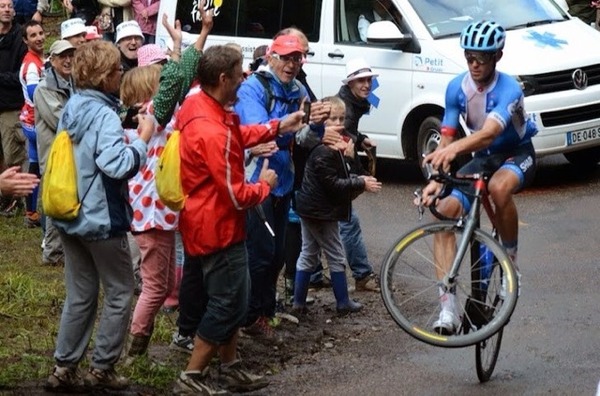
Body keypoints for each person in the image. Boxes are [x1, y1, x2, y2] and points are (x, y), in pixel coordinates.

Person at [171, 44, 305, 395]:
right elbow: (235, 193)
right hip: (216, 227)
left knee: (235, 297)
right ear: (221, 78)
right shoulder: (211, 129)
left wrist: (276, 126)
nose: (243, 79)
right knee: (228, 302)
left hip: (207, 222)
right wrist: (263, 186)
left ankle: (230, 368)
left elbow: (235, 136)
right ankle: (192, 374)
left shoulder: (201, 104)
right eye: (238, 74)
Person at [44, 40, 155, 393]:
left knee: (81, 294)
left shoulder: (74, 104)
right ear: (105, 76)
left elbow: (87, 144)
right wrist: (142, 141)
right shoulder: (104, 115)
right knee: (121, 290)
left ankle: (64, 367)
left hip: (68, 212)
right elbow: (116, 164)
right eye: (118, 70)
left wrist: (124, 120)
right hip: (100, 218)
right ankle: (102, 368)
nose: (122, 73)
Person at [419, 20, 537, 334]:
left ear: (497, 57)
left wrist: (452, 150)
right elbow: (446, 137)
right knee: (445, 212)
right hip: (482, 160)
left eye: (481, 58)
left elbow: (487, 135)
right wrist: (436, 178)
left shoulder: (509, 88)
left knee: (499, 189)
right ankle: (448, 309)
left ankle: (510, 263)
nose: (473, 64)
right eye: (469, 56)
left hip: (515, 153)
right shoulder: (456, 87)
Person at [234, 33, 330, 339]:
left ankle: (265, 312)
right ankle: (249, 318)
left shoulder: (298, 88)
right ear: (271, 57)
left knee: (276, 255)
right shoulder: (254, 88)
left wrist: (315, 125)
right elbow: (258, 134)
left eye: (297, 58)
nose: (291, 64)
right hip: (255, 179)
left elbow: (301, 141)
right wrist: (291, 123)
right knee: (259, 253)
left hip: (282, 181)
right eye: (285, 57)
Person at [292, 96, 381, 314]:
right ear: (322, 122)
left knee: (309, 253)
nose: (338, 124)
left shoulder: (334, 147)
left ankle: (298, 302)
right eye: (332, 119)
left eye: (342, 118)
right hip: (320, 211)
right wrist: (360, 181)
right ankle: (342, 302)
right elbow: (334, 184)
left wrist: (349, 158)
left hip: (311, 208)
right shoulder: (325, 151)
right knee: (335, 253)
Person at [120, 63, 178, 359]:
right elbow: (167, 95)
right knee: (156, 287)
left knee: (164, 284)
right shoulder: (150, 121)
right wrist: (179, 54)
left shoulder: (143, 123)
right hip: (153, 216)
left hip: (155, 216)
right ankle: (134, 350)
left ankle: (137, 346)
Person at [336, 57, 380, 292]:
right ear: (351, 83)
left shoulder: (351, 102)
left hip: (325, 171)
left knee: (321, 225)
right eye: (361, 80)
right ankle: (362, 275)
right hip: (328, 170)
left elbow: (347, 131)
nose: (366, 85)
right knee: (347, 222)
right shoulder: (346, 107)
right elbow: (341, 134)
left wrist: (360, 139)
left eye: (368, 80)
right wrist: (361, 178)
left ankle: (310, 276)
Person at [34, 39, 75, 266]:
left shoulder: (75, 83)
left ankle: (64, 250)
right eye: (62, 56)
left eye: (70, 55)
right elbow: (61, 121)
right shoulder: (44, 88)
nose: (68, 60)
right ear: (53, 60)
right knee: (53, 201)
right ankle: (52, 252)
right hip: (52, 155)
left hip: (70, 153)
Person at [0, 0, 28, 216]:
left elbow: (21, 75)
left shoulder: (20, 38)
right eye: (2, 6)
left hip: (11, 105)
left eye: (9, 6)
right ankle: (4, 196)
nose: (7, 9)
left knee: (13, 155)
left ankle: (19, 199)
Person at [18, 19, 44, 228]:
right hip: (36, 124)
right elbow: (36, 93)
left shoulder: (37, 59)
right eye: (33, 35)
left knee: (34, 166)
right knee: (46, 166)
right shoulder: (32, 65)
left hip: (30, 121)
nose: (39, 38)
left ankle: (31, 212)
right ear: (26, 40)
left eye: (41, 33)